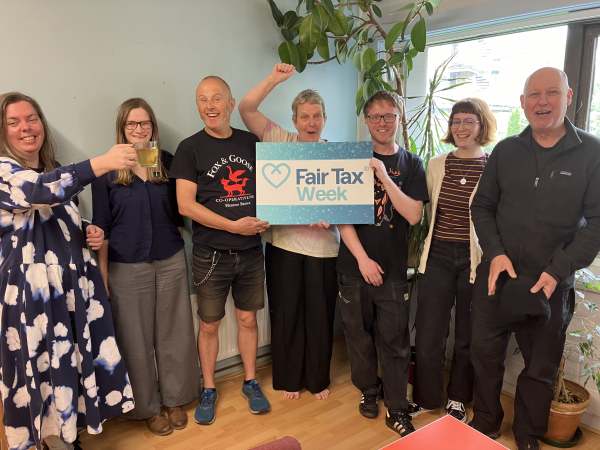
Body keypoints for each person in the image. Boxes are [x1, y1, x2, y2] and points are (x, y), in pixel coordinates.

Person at [470, 67, 600, 450]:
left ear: (569, 96)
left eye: (551, 93)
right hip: (497, 279)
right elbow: (482, 208)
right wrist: (494, 253)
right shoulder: (506, 151)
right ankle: (487, 422)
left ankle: (527, 435)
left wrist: (558, 269)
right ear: (523, 102)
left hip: (551, 286)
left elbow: (597, 223)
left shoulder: (592, 153)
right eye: (534, 95)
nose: (542, 102)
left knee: (540, 370)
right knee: (485, 357)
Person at [0, 92, 136, 450]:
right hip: (31, 301)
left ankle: (67, 436)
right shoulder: (4, 172)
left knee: (68, 366)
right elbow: (37, 193)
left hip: (70, 292)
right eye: (14, 122)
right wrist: (102, 163)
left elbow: (57, 216)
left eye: (31, 118)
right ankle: (45, 439)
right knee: (39, 370)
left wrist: (87, 228)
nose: (26, 128)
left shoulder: (53, 170)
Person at [91, 98, 200, 436]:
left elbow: (184, 213)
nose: (139, 129)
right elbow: (102, 229)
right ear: (122, 130)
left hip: (170, 259)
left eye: (144, 123)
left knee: (174, 334)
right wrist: (104, 278)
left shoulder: (167, 165)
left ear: (153, 126)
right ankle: (147, 407)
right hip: (127, 266)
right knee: (135, 341)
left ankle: (175, 399)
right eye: (131, 125)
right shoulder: (107, 173)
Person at [170, 76, 271, 426]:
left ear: (230, 103)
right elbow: (185, 205)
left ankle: (250, 380)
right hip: (210, 253)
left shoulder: (251, 142)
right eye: (202, 99)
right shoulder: (189, 148)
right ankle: (209, 387)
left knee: (247, 319)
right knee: (210, 324)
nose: (209, 106)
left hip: (250, 251)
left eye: (216, 99)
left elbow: (276, 185)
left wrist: (274, 216)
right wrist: (232, 225)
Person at [238, 63, 339, 400]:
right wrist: (274, 79)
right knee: (287, 313)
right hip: (284, 246)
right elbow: (246, 109)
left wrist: (332, 217)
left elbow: (346, 207)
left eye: (317, 116)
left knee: (320, 317)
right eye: (304, 116)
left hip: (325, 248)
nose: (311, 122)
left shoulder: (337, 157)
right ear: (295, 120)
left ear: (325, 118)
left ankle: (317, 379)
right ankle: (289, 379)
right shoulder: (279, 140)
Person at [336, 91, 428, 437]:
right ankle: (368, 391)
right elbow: (342, 220)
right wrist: (362, 260)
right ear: (366, 120)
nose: (382, 123)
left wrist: (384, 176)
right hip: (354, 266)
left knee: (394, 340)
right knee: (358, 336)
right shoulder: (350, 160)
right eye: (375, 117)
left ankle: (397, 407)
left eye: (389, 116)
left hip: (392, 270)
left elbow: (414, 214)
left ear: (399, 119)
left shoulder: (412, 164)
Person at [414, 98, 496, 422]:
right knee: (429, 332)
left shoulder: (493, 167)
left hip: (473, 260)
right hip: (437, 255)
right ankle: (426, 397)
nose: (460, 128)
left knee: (467, 334)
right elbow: (426, 213)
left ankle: (459, 398)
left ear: (481, 126)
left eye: (468, 121)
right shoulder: (436, 164)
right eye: (456, 121)